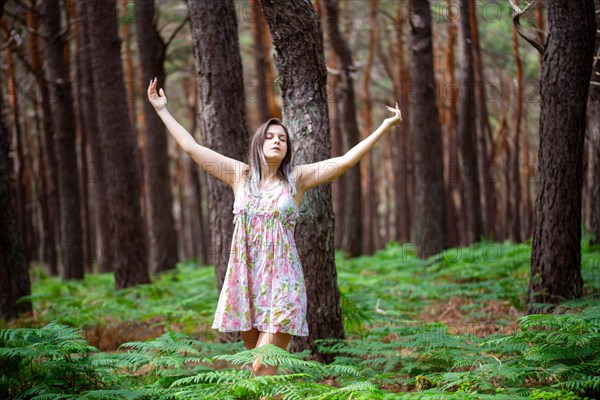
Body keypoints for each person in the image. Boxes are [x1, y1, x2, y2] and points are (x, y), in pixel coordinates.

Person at [147, 77, 402, 376]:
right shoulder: (239, 175)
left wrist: (385, 127)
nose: (277, 140)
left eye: (282, 138)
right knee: (261, 377)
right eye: (270, 136)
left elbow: (345, 161)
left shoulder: (298, 179)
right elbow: (191, 147)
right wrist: (162, 109)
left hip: (283, 283)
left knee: (263, 364)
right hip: (246, 282)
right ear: (259, 143)